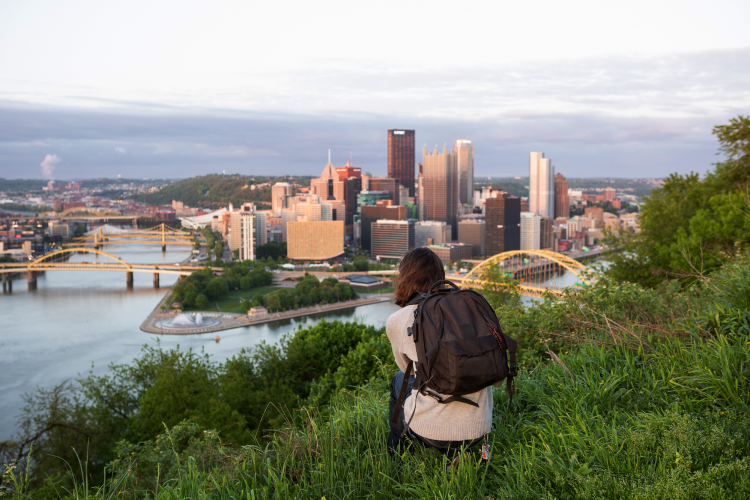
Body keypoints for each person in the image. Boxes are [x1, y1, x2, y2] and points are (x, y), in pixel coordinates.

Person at [386, 247, 493, 457]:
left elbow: (406, 367)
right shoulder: (471, 309)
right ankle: (466, 453)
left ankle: (396, 450)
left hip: (430, 432)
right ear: (440, 275)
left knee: (400, 379)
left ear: (404, 277)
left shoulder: (399, 320)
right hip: (478, 429)